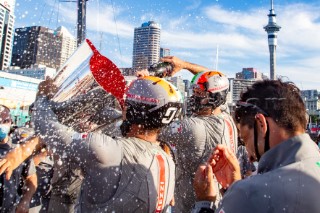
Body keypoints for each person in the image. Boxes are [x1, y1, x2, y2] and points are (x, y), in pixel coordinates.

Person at [0, 76, 183, 212]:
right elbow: (99, 114)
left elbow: (47, 126)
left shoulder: (108, 150)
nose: (122, 107)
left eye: (125, 104)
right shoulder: (167, 160)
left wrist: (43, 95)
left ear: (133, 110)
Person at [192, 79, 320, 212]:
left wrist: (205, 202)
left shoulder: (249, 193)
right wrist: (235, 184)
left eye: (246, 139)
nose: (249, 156)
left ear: (261, 124)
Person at [156, 56, 237, 212]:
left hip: (192, 207)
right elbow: (217, 78)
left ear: (214, 97)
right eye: (194, 91)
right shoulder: (225, 115)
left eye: (199, 93)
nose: (194, 97)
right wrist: (184, 65)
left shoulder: (194, 127)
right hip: (219, 203)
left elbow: (150, 127)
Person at [0, 104, 37, 213]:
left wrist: (25, 200)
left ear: (11, 121)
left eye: (5, 121)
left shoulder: (19, 151)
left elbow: (31, 178)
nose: (1, 125)